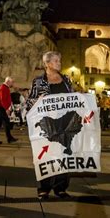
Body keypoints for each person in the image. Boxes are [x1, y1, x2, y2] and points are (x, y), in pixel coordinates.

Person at [26, 51, 73, 200]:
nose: (59, 63)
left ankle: (60, 187)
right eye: (56, 61)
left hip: (65, 123)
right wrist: (37, 100)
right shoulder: (39, 81)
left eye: (59, 60)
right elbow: (29, 102)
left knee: (63, 155)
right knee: (44, 155)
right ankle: (44, 188)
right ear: (47, 64)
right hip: (46, 124)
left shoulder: (66, 79)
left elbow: (72, 97)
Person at [0, 77, 17, 144]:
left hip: (0, 107)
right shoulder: (3, 88)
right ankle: (9, 138)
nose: (12, 83)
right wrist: (6, 109)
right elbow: (2, 99)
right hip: (0, 107)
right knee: (6, 122)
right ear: (8, 82)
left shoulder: (5, 87)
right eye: (11, 82)